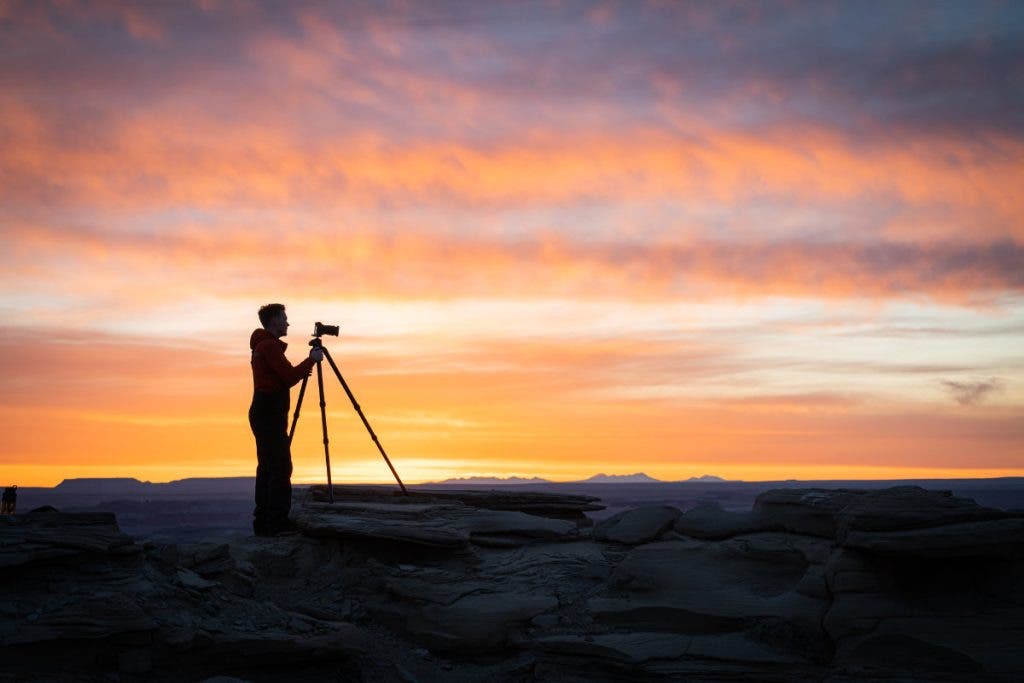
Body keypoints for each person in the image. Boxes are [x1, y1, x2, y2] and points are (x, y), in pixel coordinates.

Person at [249, 303, 323, 537]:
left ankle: (263, 522)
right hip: (269, 413)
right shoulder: (269, 346)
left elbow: (285, 377)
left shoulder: (264, 345)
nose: (288, 323)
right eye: (284, 318)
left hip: (264, 411)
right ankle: (278, 523)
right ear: (273, 321)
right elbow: (290, 377)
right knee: (280, 468)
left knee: (267, 467)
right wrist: (311, 359)